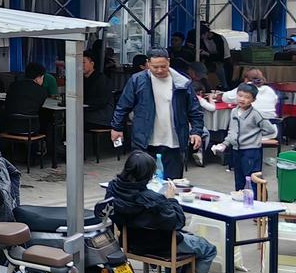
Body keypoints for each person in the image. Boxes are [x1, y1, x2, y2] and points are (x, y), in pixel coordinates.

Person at [108, 150, 214, 273]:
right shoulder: (153, 200)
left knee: (186, 238)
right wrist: (171, 199)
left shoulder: (113, 189)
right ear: (148, 175)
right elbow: (178, 222)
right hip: (160, 246)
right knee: (207, 248)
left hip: (130, 242)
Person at [109, 48, 203, 180]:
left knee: (172, 182)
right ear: (148, 63)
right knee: (142, 180)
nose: (159, 70)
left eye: (163, 66)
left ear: (169, 62)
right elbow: (123, 106)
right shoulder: (137, 80)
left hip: (174, 141)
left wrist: (196, 132)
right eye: (155, 67)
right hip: (144, 141)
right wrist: (116, 127)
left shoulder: (181, 82)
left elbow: (194, 110)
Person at [211, 82, 278, 191]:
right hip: (236, 150)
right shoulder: (234, 111)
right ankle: (239, 198)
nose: (242, 99)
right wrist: (224, 144)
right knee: (239, 178)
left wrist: (255, 136)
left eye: (247, 97)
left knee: (252, 178)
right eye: (240, 96)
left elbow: (270, 129)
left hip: (251, 151)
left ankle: (256, 199)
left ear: (253, 100)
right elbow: (232, 131)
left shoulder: (256, 114)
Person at [6, 62, 51, 141]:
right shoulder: (41, 91)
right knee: (47, 116)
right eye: (42, 77)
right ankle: (46, 145)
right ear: (38, 78)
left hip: (9, 127)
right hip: (30, 130)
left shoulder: (13, 85)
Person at [82, 54, 113, 130]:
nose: (80, 65)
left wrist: (84, 105)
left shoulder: (101, 79)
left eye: (83, 62)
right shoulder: (81, 79)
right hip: (87, 114)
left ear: (92, 64)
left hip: (100, 118)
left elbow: (102, 101)